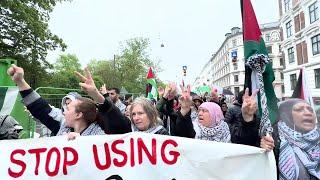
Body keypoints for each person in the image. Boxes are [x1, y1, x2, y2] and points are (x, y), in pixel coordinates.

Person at [261, 99, 319, 180]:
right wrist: (262, 149)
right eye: (299, 110)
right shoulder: (272, 138)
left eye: (310, 110)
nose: (308, 113)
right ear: (286, 115)